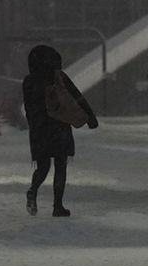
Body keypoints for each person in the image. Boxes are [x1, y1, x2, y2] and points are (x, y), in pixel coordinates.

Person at [22, 44, 98, 217]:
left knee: (43, 166)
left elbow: (29, 107)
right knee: (60, 166)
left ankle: (33, 191)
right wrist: (89, 116)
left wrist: (34, 124)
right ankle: (57, 206)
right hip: (59, 126)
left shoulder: (30, 81)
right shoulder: (59, 77)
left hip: (40, 129)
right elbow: (76, 96)